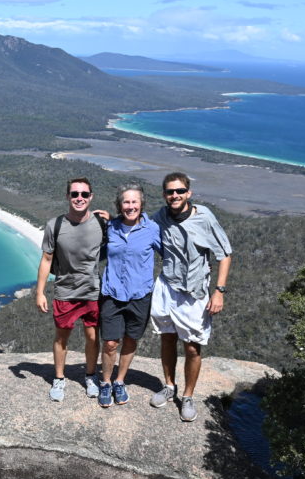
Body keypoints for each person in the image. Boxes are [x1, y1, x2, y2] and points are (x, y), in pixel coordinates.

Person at [149, 172, 232, 422]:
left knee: (192, 347)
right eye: (170, 192)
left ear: (189, 193)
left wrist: (219, 291)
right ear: (164, 194)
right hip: (167, 286)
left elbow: (225, 254)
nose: (175, 195)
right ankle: (169, 386)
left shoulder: (204, 218)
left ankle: (187, 396)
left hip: (194, 292)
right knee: (167, 338)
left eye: (179, 191)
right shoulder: (161, 216)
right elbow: (139, 226)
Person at [35, 177, 106, 402]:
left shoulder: (101, 223)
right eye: (75, 194)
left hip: (93, 290)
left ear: (91, 197)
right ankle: (59, 378)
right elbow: (46, 259)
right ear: (67, 197)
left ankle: (91, 376)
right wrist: (39, 292)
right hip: (65, 290)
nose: (79, 198)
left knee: (93, 337)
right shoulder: (54, 225)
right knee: (61, 337)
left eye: (84, 194)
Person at [97, 184, 162, 408]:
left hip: (140, 294)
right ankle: (105, 382)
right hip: (112, 294)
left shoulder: (152, 229)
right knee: (110, 343)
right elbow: (94, 250)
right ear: (119, 205)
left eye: (135, 202)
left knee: (131, 339)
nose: (131, 206)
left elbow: (170, 254)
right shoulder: (111, 227)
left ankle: (120, 381)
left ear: (141, 204)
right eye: (126, 202)